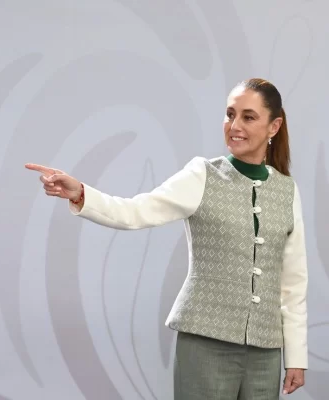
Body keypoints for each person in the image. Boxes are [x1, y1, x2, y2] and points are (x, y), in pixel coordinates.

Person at [25, 78, 308, 399]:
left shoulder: (287, 191)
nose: (234, 126)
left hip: (266, 353)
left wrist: (296, 357)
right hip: (205, 343)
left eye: (248, 117)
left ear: (274, 126)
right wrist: (80, 193)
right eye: (230, 114)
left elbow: (293, 283)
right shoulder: (202, 175)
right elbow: (135, 212)